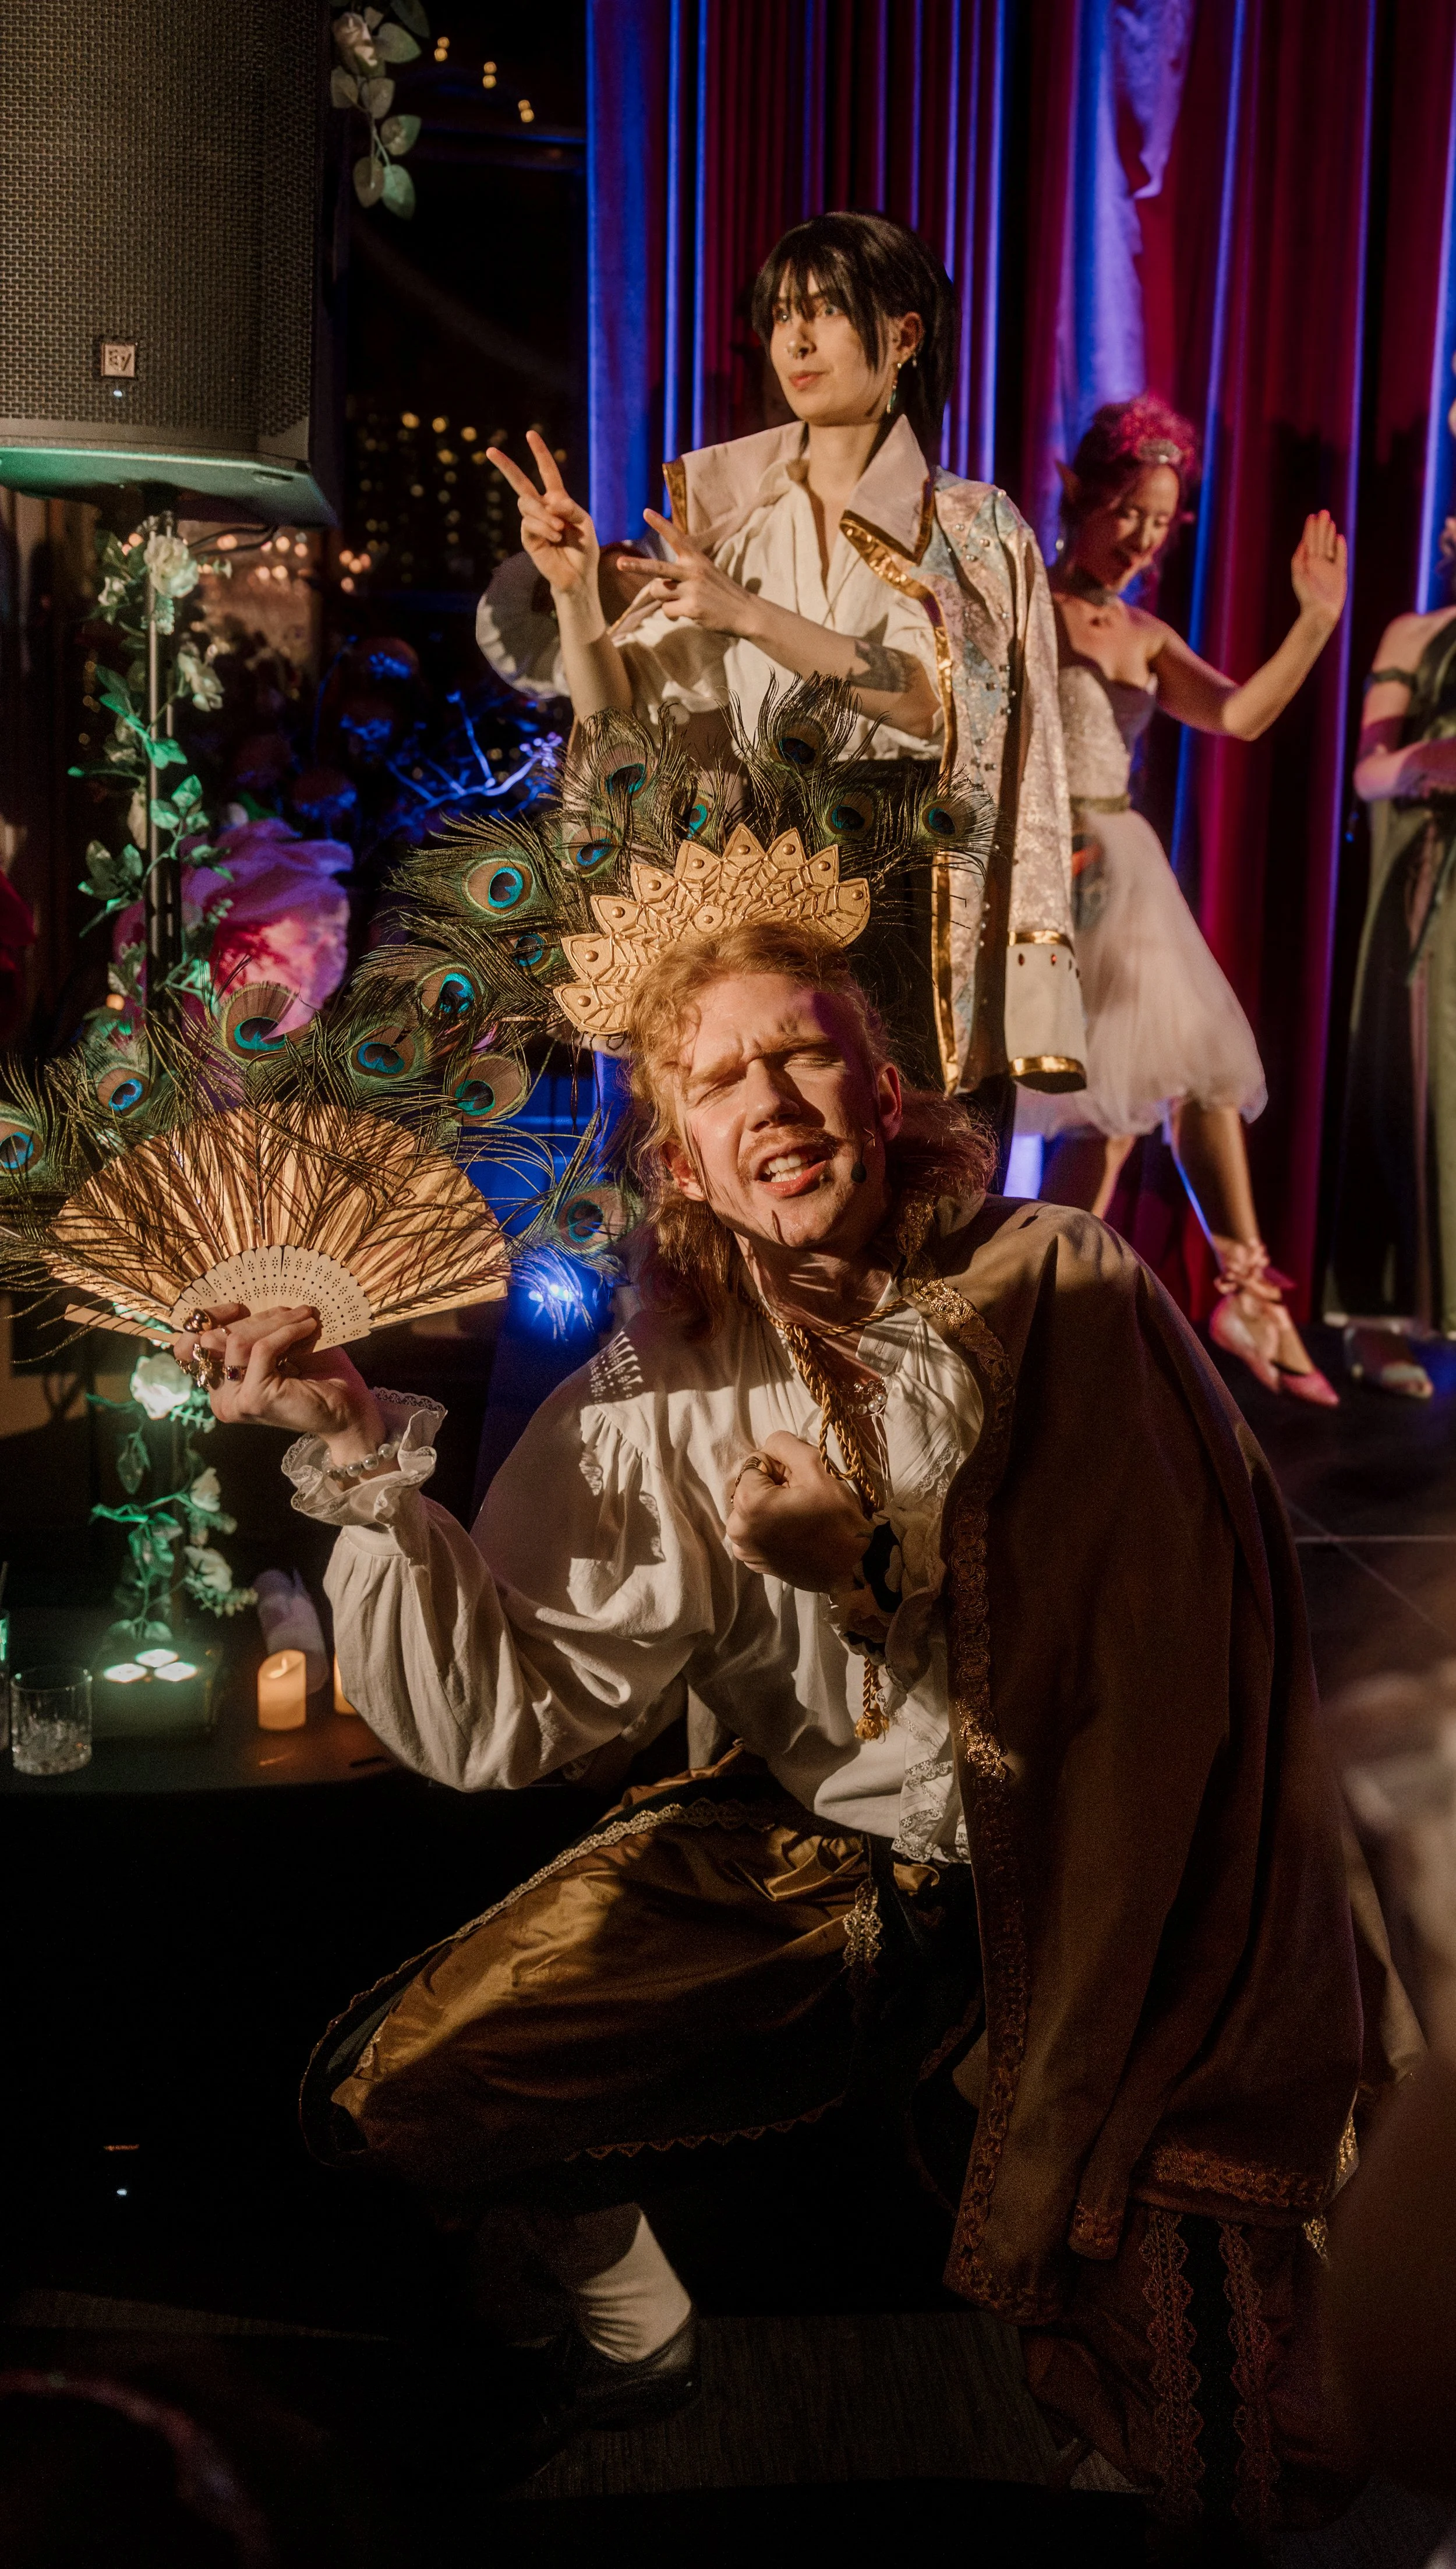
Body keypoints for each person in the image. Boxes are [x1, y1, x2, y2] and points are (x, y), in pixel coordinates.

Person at [173, 709, 1391, 2526]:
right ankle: (633, 2323)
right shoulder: (656, 1395)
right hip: (832, 1865)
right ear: (676, 1141)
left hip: (1099, 1860)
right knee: (391, 2089)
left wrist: (876, 1566)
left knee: (1195, 2373)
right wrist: (354, 1449)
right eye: (726, 1080)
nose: (778, 1105)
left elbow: (1155, 1642)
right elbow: (512, 1709)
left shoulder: (1053, 1284)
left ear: (883, 1088)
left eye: (808, 1059)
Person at [482, 209, 1084, 1113]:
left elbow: (941, 707)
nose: (796, 339)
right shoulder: (738, 525)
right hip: (768, 882)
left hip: (912, 888)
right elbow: (616, 724)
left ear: (905, 335)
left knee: (911, 1171)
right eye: (781, 315)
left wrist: (749, 616)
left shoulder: (970, 527)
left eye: (829, 310)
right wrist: (574, 593)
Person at [1029, 396, 1348, 1405]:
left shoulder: (1143, 631)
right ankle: (1038, 1316)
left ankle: (1244, 1288)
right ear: (1082, 492)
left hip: (1124, 870)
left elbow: (1243, 715)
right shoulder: (1021, 602)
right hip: (1044, 867)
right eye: (1130, 510)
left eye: (1162, 523)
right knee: (1096, 1125)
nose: (1143, 539)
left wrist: (1316, 623)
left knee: (1172, 1083)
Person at [1324, 550, 1456, 1398]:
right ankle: (1374, 1320)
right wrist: (1428, 764)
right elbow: (1369, 771)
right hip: (1430, 867)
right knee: (1412, 1084)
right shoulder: (1419, 633)